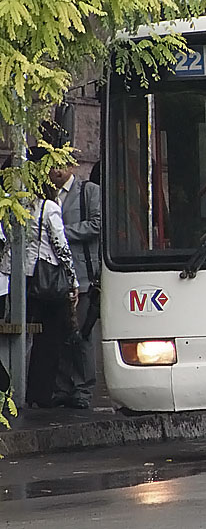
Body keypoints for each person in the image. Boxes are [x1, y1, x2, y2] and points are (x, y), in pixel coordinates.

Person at [0, 180, 79, 407]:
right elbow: (60, 246)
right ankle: (40, 393)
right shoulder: (49, 207)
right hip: (47, 279)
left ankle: (13, 390)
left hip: (20, 277)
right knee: (49, 339)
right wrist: (72, 280)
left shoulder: (16, 207)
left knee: (20, 336)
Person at [50, 164, 101, 410]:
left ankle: (83, 389)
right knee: (61, 335)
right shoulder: (49, 194)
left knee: (82, 335)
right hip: (55, 275)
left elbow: (97, 225)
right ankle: (63, 387)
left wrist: (62, 232)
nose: (56, 171)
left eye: (61, 165)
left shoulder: (88, 191)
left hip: (83, 276)